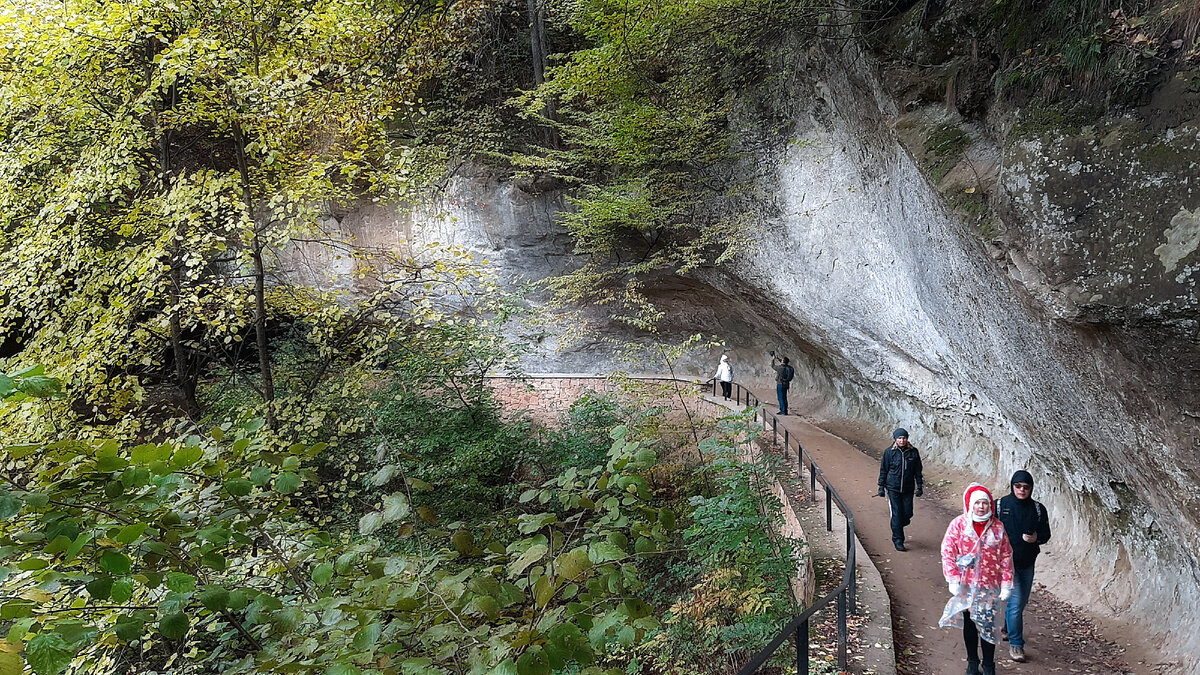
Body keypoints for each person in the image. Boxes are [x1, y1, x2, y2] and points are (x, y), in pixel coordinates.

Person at [939, 483, 1014, 675]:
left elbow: (1006, 555)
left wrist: (1006, 583)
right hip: (966, 584)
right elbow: (948, 551)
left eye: (985, 503)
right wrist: (953, 579)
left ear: (990, 506)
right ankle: (972, 662)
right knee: (971, 622)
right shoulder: (959, 524)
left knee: (989, 623)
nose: (981, 507)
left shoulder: (998, 527)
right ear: (970, 505)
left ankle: (989, 665)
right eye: (978, 503)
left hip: (990, 585)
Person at [995, 470, 1051, 663]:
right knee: (1017, 603)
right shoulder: (1000, 505)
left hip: (1027, 562)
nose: (1021, 490)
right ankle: (1016, 645)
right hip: (1007, 565)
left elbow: (1046, 534)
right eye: (1018, 486)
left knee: (1021, 603)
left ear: (1031, 488)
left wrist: (1036, 538)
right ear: (1012, 486)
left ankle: (1006, 628)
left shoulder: (1038, 509)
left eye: (1025, 487)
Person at [876, 428, 923, 551]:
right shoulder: (889, 452)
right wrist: (881, 486)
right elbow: (884, 470)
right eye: (899, 438)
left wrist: (920, 486)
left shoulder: (913, 452)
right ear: (895, 439)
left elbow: (918, 471)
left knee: (907, 513)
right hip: (893, 488)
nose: (902, 440)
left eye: (904, 438)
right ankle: (898, 540)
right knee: (897, 514)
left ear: (907, 439)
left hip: (908, 489)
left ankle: (897, 526)